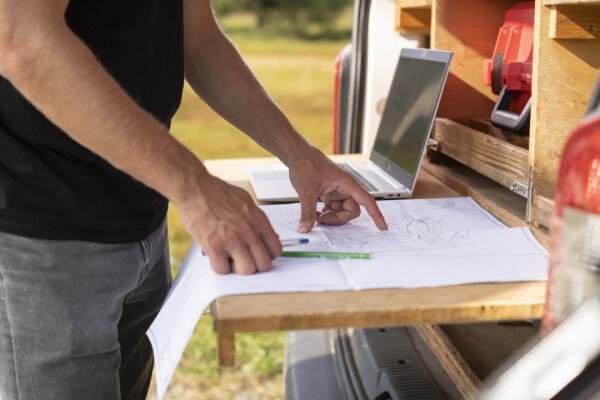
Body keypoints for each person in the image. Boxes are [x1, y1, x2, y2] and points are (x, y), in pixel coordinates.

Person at [0, 0, 388, 399]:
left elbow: (197, 37)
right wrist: (195, 188)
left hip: (141, 216)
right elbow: (23, 41)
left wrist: (300, 155)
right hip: (41, 231)